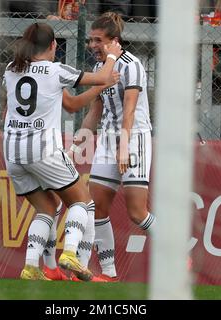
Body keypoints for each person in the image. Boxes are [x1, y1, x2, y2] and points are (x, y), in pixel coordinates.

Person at [2, 22, 122, 281]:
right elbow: (101, 76)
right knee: (82, 202)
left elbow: (71, 104)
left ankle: (31, 267)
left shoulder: (11, 70)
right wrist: (112, 55)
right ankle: (69, 253)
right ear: (54, 45)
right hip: (43, 149)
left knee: (46, 208)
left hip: (12, 152)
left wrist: (100, 86)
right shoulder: (56, 70)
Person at [68, 12, 156, 282]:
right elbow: (96, 110)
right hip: (107, 141)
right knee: (97, 207)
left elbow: (129, 110)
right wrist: (77, 144)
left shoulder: (133, 66)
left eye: (98, 40)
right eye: (90, 40)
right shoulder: (100, 70)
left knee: (137, 212)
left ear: (114, 41)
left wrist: (124, 146)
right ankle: (108, 272)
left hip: (134, 139)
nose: (92, 45)